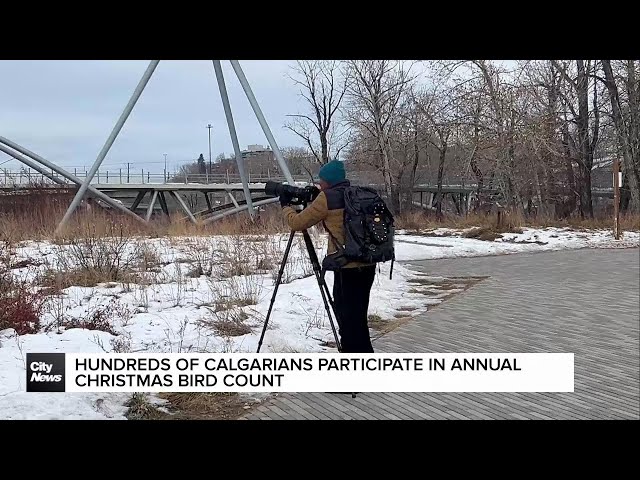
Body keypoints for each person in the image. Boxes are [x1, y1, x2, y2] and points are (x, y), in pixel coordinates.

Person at [281, 160, 376, 353]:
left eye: (322, 180)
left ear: (329, 181)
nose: (320, 184)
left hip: (346, 267)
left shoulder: (326, 198)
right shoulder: (356, 193)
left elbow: (298, 223)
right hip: (368, 263)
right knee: (358, 318)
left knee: (347, 320)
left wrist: (285, 207)